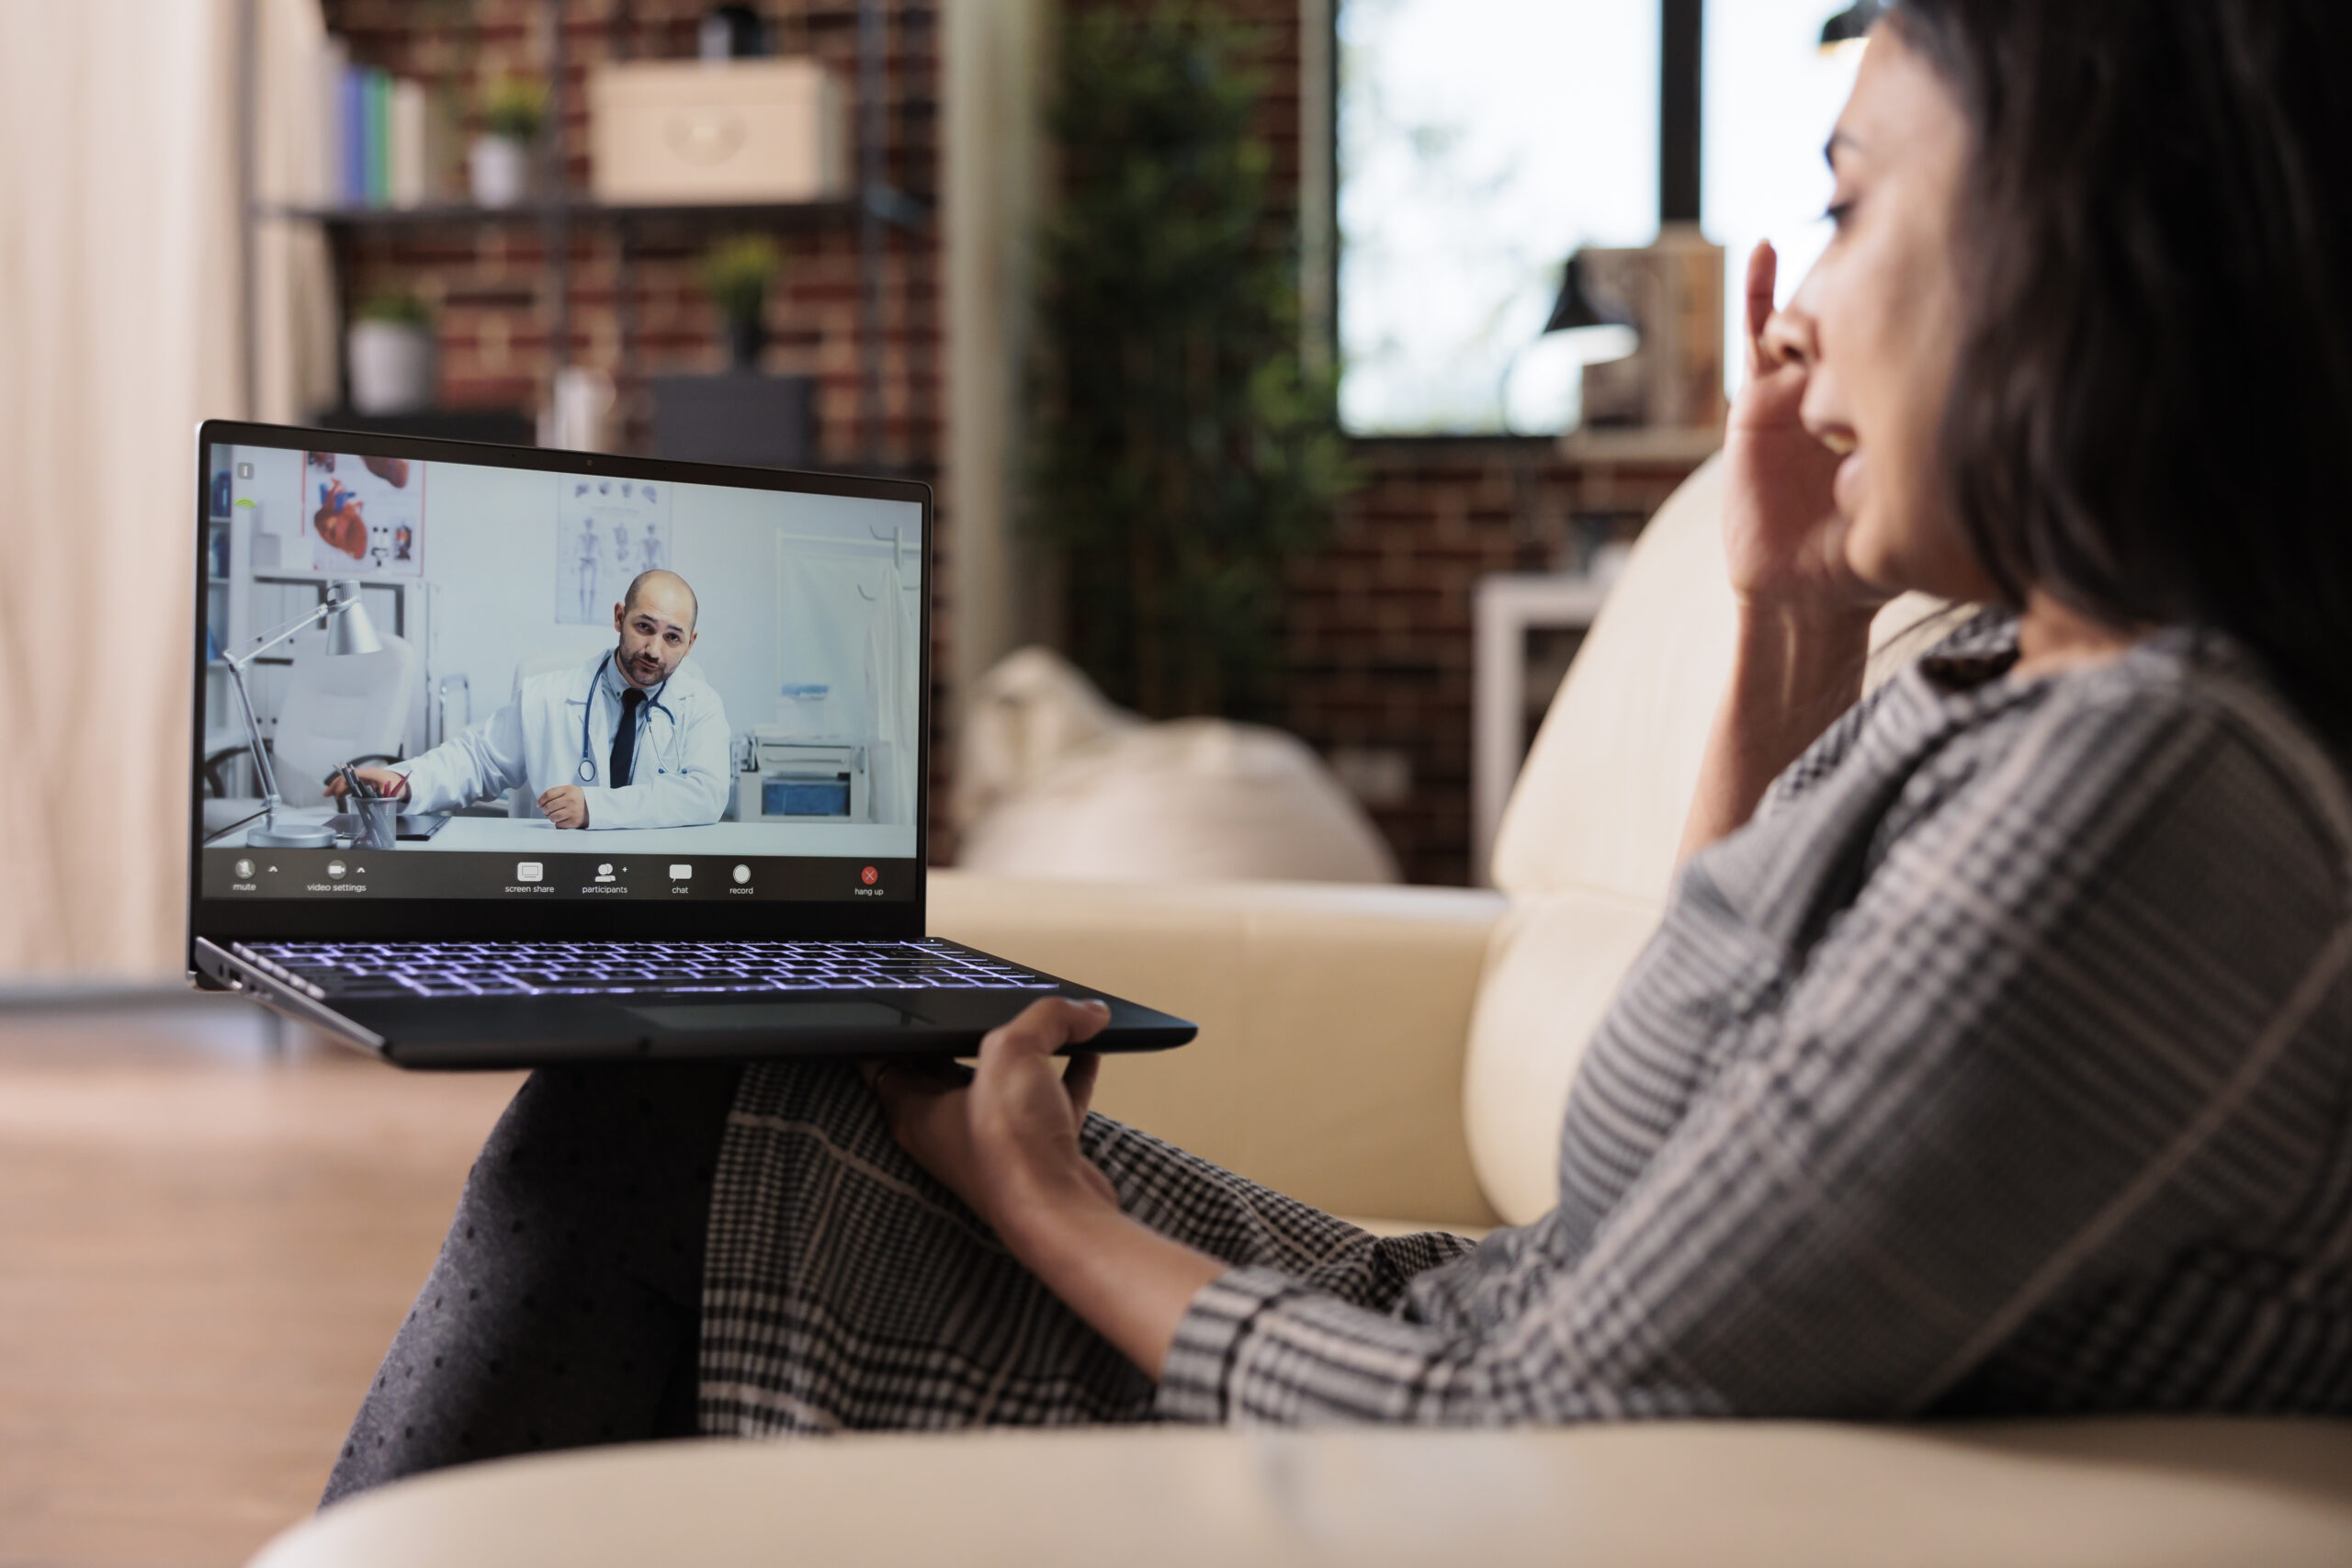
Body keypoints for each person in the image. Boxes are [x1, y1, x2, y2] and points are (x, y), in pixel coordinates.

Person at [324, 0, 2352, 1501]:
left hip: (1437, 1433)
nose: (1792, 313)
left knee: (652, 1137)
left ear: (2079, 245)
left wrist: (1048, 1198)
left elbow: (1528, 1423)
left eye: (1840, 208)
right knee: (708, 1076)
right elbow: (1665, 1139)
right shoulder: (2002, 675)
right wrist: (1790, 630)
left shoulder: (2153, 793)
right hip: (1433, 1319)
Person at [327, 569, 731, 830]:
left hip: (660, 888)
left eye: (672, 637)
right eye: (644, 627)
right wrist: (404, 780)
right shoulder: (547, 696)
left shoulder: (701, 706)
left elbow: (706, 795)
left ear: (690, 643)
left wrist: (596, 808)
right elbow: (478, 761)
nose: (654, 650)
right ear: (618, 617)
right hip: (555, 884)